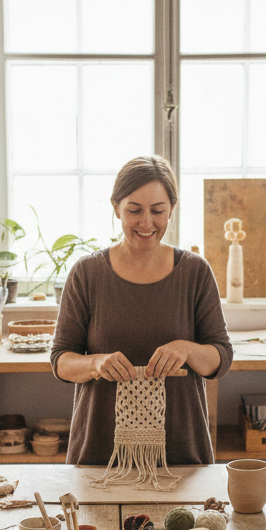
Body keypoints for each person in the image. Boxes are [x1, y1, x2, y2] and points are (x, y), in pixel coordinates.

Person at [51, 155, 233, 465]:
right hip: (101, 452)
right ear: (116, 207)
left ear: (171, 209)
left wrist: (187, 349)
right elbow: (61, 361)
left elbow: (221, 358)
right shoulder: (87, 273)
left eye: (158, 211)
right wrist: (96, 363)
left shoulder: (194, 272)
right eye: (134, 210)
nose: (146, 223)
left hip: (180, 450)